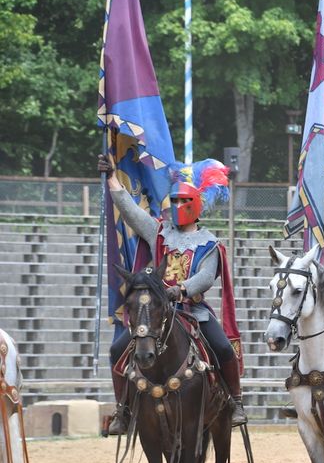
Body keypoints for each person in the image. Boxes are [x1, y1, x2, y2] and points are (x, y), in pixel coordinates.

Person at [99, 154, 246, 434]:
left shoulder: (210, 243)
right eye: (174, 201)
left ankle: (235, 402)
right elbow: (130, 211)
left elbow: (205, 277)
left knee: (224, 348)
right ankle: (122, 411)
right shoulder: (159, 232)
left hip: (193, 311)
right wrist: (111, 177)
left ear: (196, 204)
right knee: (118, 349)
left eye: (182, 201)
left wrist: (181, 289)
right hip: (155, 313)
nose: (177, 206)